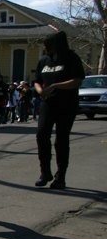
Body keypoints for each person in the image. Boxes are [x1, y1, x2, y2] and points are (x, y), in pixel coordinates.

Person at [33, 31, 85, 190]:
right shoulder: (44, 61)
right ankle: (45, 172)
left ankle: (60, 176)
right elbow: (37, 81)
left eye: (47, 46)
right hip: (48, 104)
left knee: (61, 139)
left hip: (66, 104)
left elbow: (77, 80)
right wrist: (40, 90)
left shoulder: (71, 58)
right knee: (42, 135)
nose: (45, 48)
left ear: (55, 45)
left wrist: (55, 86)